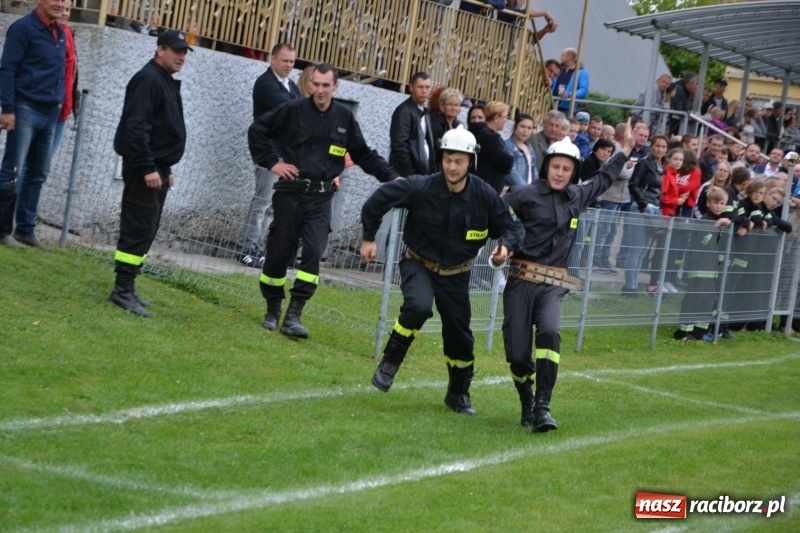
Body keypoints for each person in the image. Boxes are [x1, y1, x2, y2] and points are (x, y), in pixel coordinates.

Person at [360, 125, 523, 415]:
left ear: (470, 162)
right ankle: (390, 363)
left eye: (458, 160)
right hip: (418, 263)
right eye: (447, 159)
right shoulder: (420, 186)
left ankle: (458, 393)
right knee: (418, 306)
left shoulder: (485, 195)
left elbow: (512, 226)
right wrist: (369, 238)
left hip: (457, 275)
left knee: (460, 337)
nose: (452, 166)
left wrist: (505, 248)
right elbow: (378, 200)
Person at [248, 64, 400, 339]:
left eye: (325, 85)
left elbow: (363, 154)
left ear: (335, 87)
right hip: (290, 193)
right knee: (279, 252)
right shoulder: (292, 110)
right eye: (315, 84)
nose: (319, 90)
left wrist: (391, 177)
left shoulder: (344, 117)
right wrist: (272, 163)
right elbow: (257, 130)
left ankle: (294, 315)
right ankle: (272, 309)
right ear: (309, 85)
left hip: (320, 198)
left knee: (314, 252)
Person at [502, 122, 634, 431]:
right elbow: (498, 218)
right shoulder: (523, 194)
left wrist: (624, 150)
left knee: (549, 332)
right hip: (521, 281)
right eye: (555, 167)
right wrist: (502, 247)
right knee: (519, 355)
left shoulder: (578, 195)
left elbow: (603, 179)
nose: (560, 173)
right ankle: (527, 399)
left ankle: (543, 406)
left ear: (573, 171)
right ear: (546, 166)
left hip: (554, 285)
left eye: (566, 168)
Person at [109, 30, 192, 318]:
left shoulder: (163, 80)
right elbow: (136, 127)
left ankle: (128, 286)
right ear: (160, 50)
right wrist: (147, 167)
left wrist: (164, 168)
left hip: (157, 168)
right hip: (144, 168)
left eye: (184, 52)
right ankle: (121, 290)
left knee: (147, 227)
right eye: (176, 51)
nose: (181, 56)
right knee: (137, 226)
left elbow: (159, 128)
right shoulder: (148, 79)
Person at [0, 0, 67, 249]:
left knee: (38, 173)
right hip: (25, 108)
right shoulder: (22, 28)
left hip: (51, 113)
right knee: (12, 169)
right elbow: (7, 69)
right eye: (55, 0)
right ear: (40, 1)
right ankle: (2, 229)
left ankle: (25, 231)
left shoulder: (59, 31)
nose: (60, 4)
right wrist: (7, 109)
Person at [237, 43, 302, 269]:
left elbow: (300, 110)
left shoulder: (291, 85)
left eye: (292, 61)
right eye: (284, 60)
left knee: (272, 206)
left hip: (284, 156)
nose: (288, 65)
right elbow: (292, 110)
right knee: (262, 202)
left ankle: (258, 248)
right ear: (272, 60)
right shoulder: (265, 83)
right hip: (269, 155)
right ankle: (247, 248)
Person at [674, 185, 732, 341]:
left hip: (712, 269)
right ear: (708, 203)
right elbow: (703, 242)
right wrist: (715, 227)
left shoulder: (721, 221)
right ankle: (683, 332)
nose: (719, 206)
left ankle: (699, 332)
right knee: (693, 298)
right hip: (699, 268)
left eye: (722, 203)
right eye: (716, 202)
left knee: (707, 300)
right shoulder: (705, 221)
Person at [622, 135, 670, 295]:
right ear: (652, 146)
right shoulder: (644, 162)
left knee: (643, 250)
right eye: (658, 146)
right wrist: (644, 204)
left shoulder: (661, 166)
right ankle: (630, 287)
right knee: (636, 249)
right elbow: (633, 184)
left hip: (654, 211)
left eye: (664, 147)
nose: (660, 149)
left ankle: (633, 284)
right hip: (640, 209)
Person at [389, 71, 436, 176]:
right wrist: (412, 176)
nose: (424, 91)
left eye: (427, 87)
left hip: (422, 176)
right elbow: (400, 148)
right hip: (407, 177)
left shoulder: (425, 110)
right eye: (420, 87)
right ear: (411, 88)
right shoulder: (404, 111)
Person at [468, 101, 513, 194]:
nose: (506, 121)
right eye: (505, 117)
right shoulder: (489, 137)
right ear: (496, 118)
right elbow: (507, 162)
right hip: (484, 190)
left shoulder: (486, 134)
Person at [51, 0, 78, 156]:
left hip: (64, 107)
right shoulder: (51, 33)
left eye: (68, 10)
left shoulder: (67, 32)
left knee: (44, 165)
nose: (65, 13)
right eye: (62, 9)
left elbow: (71, 73)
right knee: (34, 165)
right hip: (51, 106)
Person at [552, 47, 589, 115]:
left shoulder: (582, 72)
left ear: (569, 57)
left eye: (562, 55)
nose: (560, 57)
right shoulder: (560, 70)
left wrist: (569, 94)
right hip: (552, 104)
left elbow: (583, 90)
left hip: (567, 108)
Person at [504, 113, 537, 187]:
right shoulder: (507, 146)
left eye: (529, 128)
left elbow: (534, 171)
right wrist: (525, 189)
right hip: (516, 192)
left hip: (530, 192)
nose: (525, 130)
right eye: (522, 126)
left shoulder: (530, 148)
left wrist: (536, 188)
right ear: (515, 126)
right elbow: (511, 171)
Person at [429, 87, 464, 154]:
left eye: (456, 105)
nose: (453, 108)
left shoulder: (458, 126)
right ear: (442, 106)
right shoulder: (435, 124)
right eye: (450, 104)